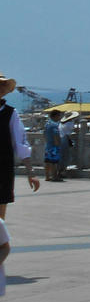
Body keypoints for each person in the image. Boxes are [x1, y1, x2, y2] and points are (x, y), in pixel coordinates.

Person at [0, 73, 39, 219]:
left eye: (2, 85)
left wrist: (31, 172)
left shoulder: (11, 113)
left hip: (2, 168)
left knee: (0, 219)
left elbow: (20, 142)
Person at [43, 110, 63, 182]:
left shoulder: (47, 124)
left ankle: (47, 176)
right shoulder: (55, 125)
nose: (60, 117)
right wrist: (58, 144)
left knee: (47, 161)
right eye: (59, 115)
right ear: (56, 116)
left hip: (48, 145)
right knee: (54, 162)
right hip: (53, 146)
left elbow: (44, 134)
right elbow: (56, 135)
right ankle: (55, 176)